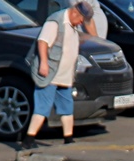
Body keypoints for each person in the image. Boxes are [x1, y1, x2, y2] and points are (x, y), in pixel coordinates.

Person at [22, 1, 92, 149]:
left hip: (65, 76)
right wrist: (44, 64)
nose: (81, 23)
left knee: (67, 107)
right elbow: (42, 42)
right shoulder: (56, 21)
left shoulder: (72, 25)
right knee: (43, 107)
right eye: (81, 20)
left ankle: (68, 138)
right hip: (51, 73)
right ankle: (28, 139)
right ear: (75, 13)